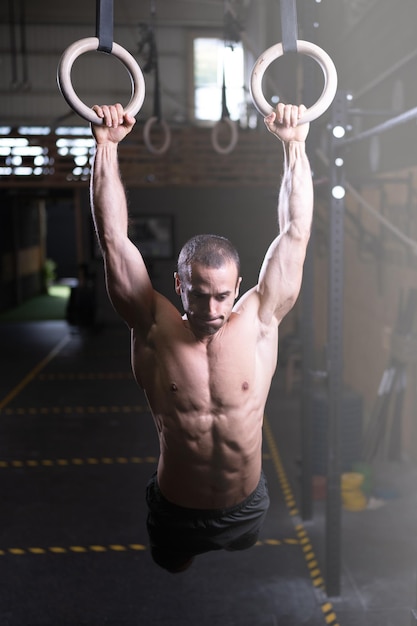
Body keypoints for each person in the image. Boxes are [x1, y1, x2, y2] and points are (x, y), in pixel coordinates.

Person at [89, 102, 313, 573]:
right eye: (198, 295)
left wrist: (295, 145)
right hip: (177, 509)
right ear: (179, 286)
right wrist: (106, 148)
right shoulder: (153, 326)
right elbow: (112, 238)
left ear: (238, 288)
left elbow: (294, 233)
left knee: (242, 546)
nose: (210, 310)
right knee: (174, 564)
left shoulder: (259, 321)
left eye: (220, 296)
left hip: (245, 504)